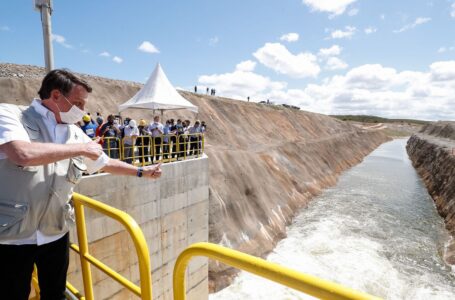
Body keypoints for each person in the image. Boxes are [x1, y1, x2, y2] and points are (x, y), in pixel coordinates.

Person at [0, 69, 162, 300]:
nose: (82, 111)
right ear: (56, 95)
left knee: (55, 294)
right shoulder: (10, 114)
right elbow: (21, 153)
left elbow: (104, 162)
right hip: (11, 236)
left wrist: (140, 171)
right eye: (78, 103)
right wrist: (81, 149)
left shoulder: (74, 133)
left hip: (54, 232)